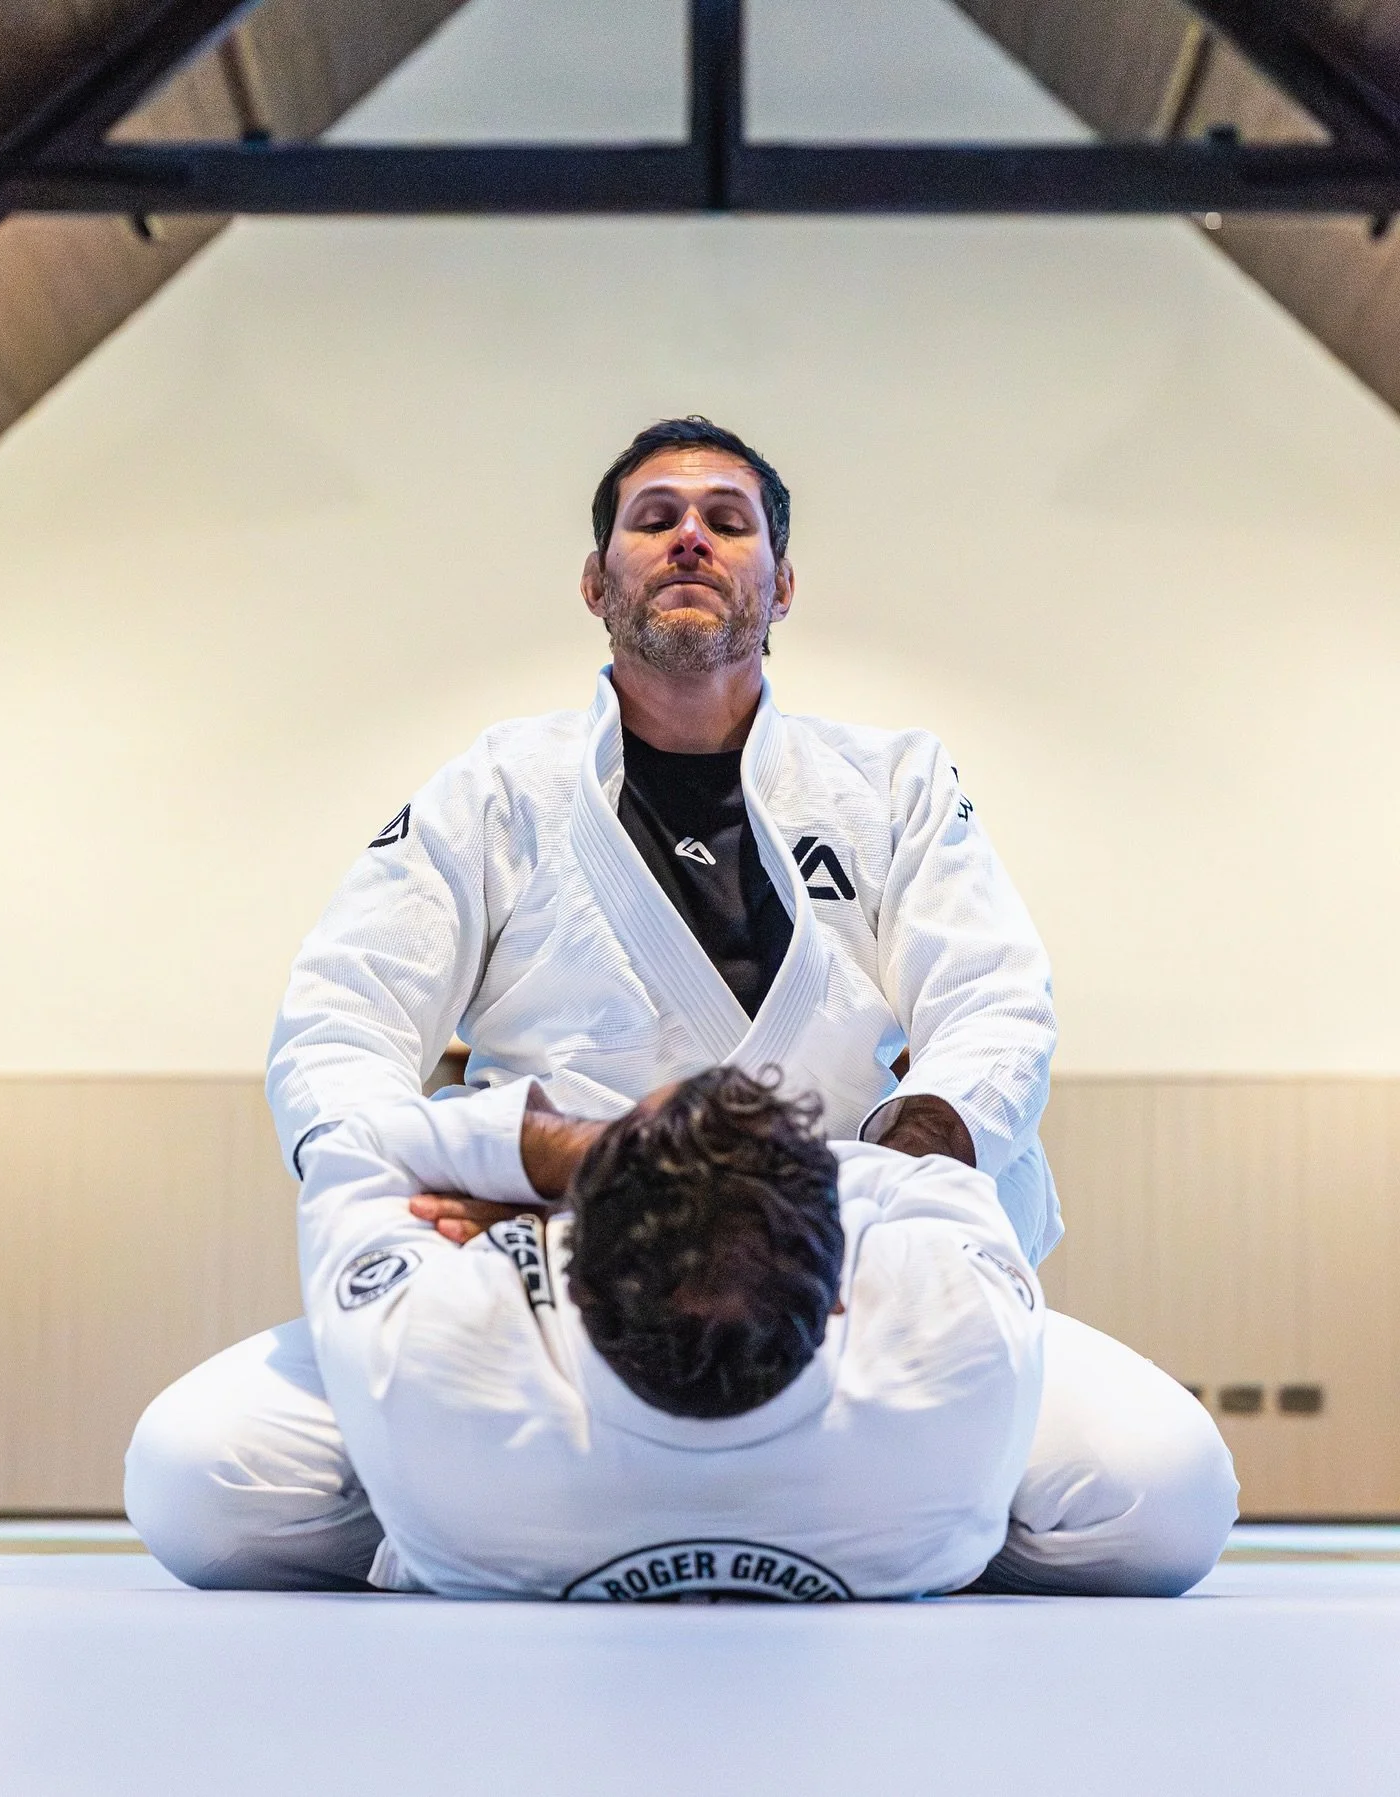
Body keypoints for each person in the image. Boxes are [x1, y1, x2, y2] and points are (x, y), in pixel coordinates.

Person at [126, 417, 1232, 1590]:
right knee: (205, 1482)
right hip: (561, 1265)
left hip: (849, 1262)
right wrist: (439, 1184)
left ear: (783, 581)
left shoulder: (894, 783)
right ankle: (863, 1507)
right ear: (599, 580)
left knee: (1161, 1499)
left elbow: (995, 1001)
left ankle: (531, 1511)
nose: (690, 539)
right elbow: (342, 1018)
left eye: (727, 521)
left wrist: (909, 1165)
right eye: (654, 520)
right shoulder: (500, 790)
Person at [127, 1070, 1235, 1599]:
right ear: (847, 1290)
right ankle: (931, 1534)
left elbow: (362, 1150)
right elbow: (923, 1182)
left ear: (560, 1282)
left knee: (190, 1479)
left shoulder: (441, 1355)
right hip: (904, 1493)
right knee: (1170, 1500)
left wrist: (580, 1155)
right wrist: (762, 1182)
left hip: (482, 1495)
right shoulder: (957, 1348)